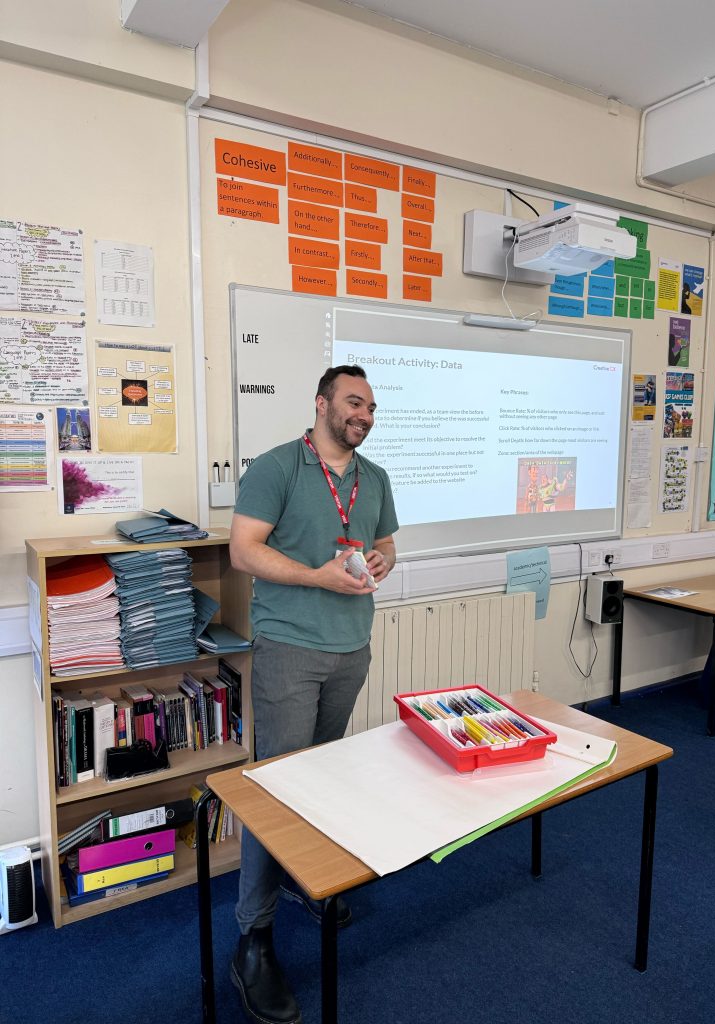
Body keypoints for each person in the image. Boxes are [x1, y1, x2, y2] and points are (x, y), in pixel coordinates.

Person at [228, 365, 398, 1024]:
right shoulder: (277, 468)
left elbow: (384, 544)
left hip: (350, 649)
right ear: (322, 403)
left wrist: (382, 561)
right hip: (289, 651)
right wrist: (317, 579)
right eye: (354, 402)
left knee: (323, 780)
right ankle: (254, 940)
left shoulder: (374, 478)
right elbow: (244, 551)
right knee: (274, 791)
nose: (365, 413)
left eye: (372, 406)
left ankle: (306, 883)